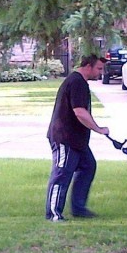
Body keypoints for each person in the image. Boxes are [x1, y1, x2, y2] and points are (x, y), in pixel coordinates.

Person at [46, 54, 110, 222]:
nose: (101, 73)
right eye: (99, 69)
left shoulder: (81, 83)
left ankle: (78, 208)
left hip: (77, 139)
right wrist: (98, 129)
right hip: (64, 138)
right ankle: (53, 214)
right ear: (88, 66)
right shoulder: (76, 82)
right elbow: (80, 112)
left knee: (88, 166)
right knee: (62, 174)